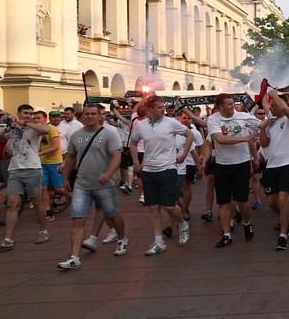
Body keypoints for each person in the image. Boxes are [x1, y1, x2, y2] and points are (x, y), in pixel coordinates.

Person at [56, 103, 129, 269]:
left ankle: (122, 237)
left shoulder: (109, 134)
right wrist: (66, 178)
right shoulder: (76, 136)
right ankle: (74, 257)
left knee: (112, 213)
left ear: (99, 116)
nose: (89, 117)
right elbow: (71, 158)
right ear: (81, 117)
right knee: (77, 219)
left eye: (93, 114)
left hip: (103, 184)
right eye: (86, 114)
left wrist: (109, 174)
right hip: (82, 184)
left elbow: (116, 156)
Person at [129, 96, 195, 255]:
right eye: (158, 107)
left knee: (169, 206)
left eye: (163, 107)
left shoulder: (171, 122)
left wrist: (184, 153)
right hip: (149, 170)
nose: (162, 110)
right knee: (152, 207)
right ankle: (159, 242)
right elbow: (132, 142)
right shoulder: (141, 125)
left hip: (167, 168)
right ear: (150, 109)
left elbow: (189, 135)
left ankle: (182, 223)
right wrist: (136, 162)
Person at [0, 105, 53, 250]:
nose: (29, 115)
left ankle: (43, 231)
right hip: (15, 169)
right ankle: (8, 239)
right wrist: (8, 128)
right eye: (25, 113)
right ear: (19, 113)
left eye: (30, 113)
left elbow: (46, 130)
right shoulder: (13, 129)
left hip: (32, 168)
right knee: (11, 203)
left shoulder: (35, 127)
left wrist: (26, 123)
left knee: (36, 202)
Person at [205, 93, 260, 248]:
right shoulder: (213, 119)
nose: (233, 106)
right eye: (229, 104)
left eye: (233, 103)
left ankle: (247, 223)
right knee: (223, 201)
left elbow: (261, 124)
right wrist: (244, 139)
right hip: (222, 165)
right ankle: (227, 234)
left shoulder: (243, 117)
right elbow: (220, 139)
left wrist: (275, 117)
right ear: (220, 107)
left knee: (242, 200)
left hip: (241, 163)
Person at [258, 88, 289, 250]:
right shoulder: (270, 122)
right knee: (271, 201)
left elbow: (287, 110)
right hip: (272, 165)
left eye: (273, 106)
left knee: (283, 197)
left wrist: (273, 94)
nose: (270, 108)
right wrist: (262, 128)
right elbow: (265, 143)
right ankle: (287, 217)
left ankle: (283, 234)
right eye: (270, 106)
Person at [34, 110, 66, 221]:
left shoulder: (51, 129)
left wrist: (39, 153)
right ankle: (48, 211)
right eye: (35, 118)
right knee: (43, 188)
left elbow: (55, 146)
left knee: (60, 189)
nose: (36, 120)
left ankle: (78, 200)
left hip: (54, 162)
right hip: (42, 163)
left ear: (45, 119)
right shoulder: (36, 132)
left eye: (38, 118)